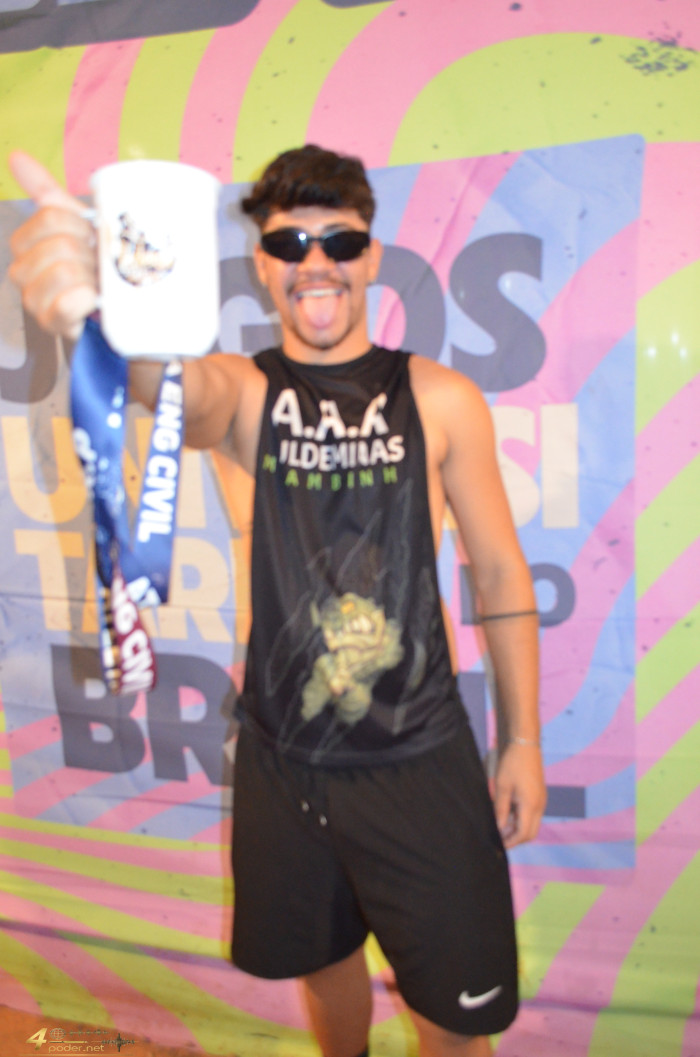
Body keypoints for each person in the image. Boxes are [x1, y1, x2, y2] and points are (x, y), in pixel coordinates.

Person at [8, 145, 547, 1057]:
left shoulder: (441, 397)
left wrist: (523, 741)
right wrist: (103, 321)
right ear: (263, 263)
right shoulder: (250, 392)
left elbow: (498, 571)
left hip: (422, 763)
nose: (316, 262)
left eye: (340, 240)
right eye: (291, 243)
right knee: (324, 967)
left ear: (373, 256)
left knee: (456, 1021)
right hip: (282, 760)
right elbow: (179, 390)